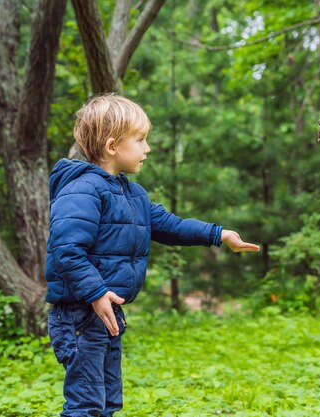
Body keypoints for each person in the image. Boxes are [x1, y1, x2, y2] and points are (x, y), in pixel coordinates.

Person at [45, 93, 259, 416]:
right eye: (141, 139)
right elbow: (67, 250)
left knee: (108, 402)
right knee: (85, 404)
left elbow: (170, 226)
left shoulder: (132, 194)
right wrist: (96, 292)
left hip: (106, 312)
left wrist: (219, 234)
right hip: (78, 314)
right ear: (112, 146)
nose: (147, 148)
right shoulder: (82, 189)